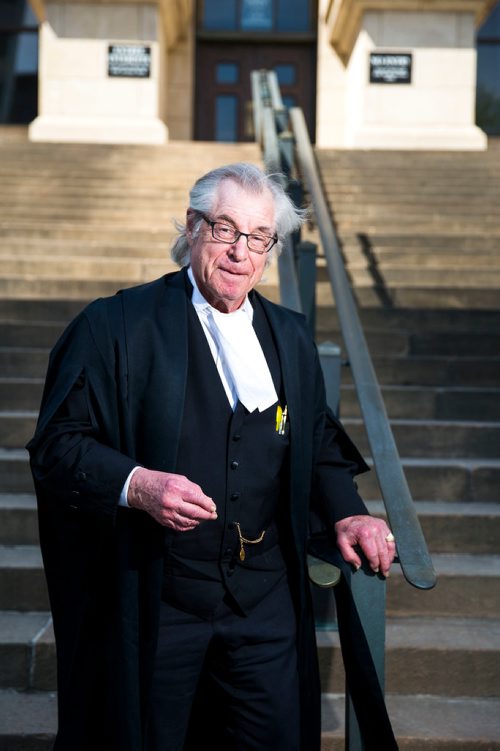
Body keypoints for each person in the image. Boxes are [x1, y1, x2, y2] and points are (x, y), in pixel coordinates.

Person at [27, 162, 396, 751]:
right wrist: (137, 483)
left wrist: (348, 511)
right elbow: (56, 446)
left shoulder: (291, 337)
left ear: (270, 249)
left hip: (264, 604)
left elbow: (317, 445)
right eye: (225, 230)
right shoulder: (115, 325)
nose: (239, 252)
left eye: (258, 238)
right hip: (158, 599)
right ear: (194, 227)